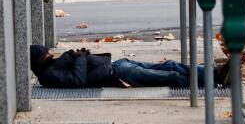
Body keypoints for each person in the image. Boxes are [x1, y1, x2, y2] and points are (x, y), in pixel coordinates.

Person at [30, 45, 229, 88]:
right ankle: (215, 80)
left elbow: (76, 67)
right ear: (41, 59)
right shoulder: (49, 75)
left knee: (170, 65)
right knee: (171, 77)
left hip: (117, 64)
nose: (50, 53)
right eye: (46, 53)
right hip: (117, 72)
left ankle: (215, 73)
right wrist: (80, 57)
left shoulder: (52, 67)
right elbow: (78, 80)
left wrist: (79, 56)